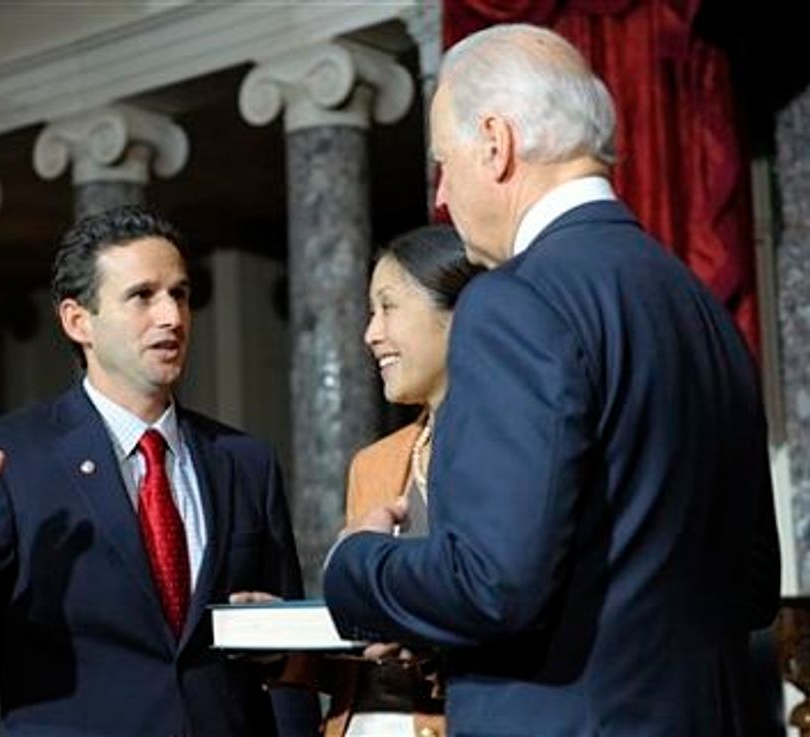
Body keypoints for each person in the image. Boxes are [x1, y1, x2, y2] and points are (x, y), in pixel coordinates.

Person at [323, 23, 780, 737]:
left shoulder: (513, 302)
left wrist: (357, 562)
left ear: (497, 144)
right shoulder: (702, 308)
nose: (442, 197)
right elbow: (753, 587)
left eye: (446, 162)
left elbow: (491, 583)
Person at [0, 205, 318, 737]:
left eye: (180, 294)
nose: (172, 317)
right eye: (143, 296)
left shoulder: (245, 462)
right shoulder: (8, 460)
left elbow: (290, 663)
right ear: (77, 321)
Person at [288, 225, 480, 737]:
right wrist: (281, 644)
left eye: (388, 307)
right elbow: (363, 651)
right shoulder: (372, 464)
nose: (370, 333)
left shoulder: (509, 455)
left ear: (458, 315)